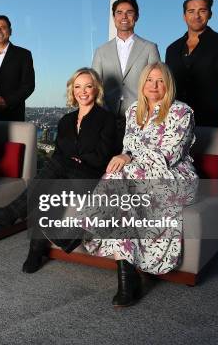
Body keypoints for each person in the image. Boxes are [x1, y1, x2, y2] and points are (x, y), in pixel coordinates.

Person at [83, 62, 198, 307]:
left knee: (121, 176)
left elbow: (168, 155)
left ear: (168, 85)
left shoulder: (181, 112)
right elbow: (129, 147)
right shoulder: (134, 110)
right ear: (142, 83)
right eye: (149, 80)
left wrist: (128, 158)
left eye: (160, 81)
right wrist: (126, 156)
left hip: (173, 176)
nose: (154, 86)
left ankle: (86, 225)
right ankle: (126, 278)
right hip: (137, 178)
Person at [0, 68, 117, 273]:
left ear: (96, 90)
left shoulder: (107, 119)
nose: (83, 91)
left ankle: (11, 213)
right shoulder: (65, 121)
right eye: (78, 87)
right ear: (72, 91)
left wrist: (75, 159)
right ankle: (35, 249)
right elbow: (59, 154)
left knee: (55, 167)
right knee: (49, 190)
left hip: (90, 178)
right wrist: (71, 159)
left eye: (88, 86)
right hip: (66, 175)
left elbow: (101, 156)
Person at [165, 0, 218, 141]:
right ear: (184, 16)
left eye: (202, 10)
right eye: (191, 11)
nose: (196, 16)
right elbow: (167, 87)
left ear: (210, 14)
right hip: (175, 123)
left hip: (210, 121)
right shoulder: (172, 49)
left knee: (208, 164)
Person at [92, 0, 160, 143]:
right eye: (119, 12)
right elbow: (95, 86)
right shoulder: (101, 51)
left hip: (141, 117)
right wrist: (103, 112)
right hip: (106, 116)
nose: (124, 16)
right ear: (114, 16)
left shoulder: (149, 48)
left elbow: (157, 85)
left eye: (129, 12)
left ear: (136, 16)